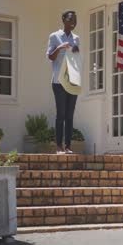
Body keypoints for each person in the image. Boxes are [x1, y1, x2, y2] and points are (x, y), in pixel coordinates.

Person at [46, 10, 80, 154]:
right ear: (63, 19)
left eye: (75, 19)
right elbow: (50, 57)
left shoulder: (76, 38)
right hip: (58, 82)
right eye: (71, 18)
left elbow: (76, 59)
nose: (73, 21)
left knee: (70, 115)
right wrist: (59, 48)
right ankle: (59, 146)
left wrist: (77, 51)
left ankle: (68, 146)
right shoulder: (54, 36)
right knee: (61, 114)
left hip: (72, 81)